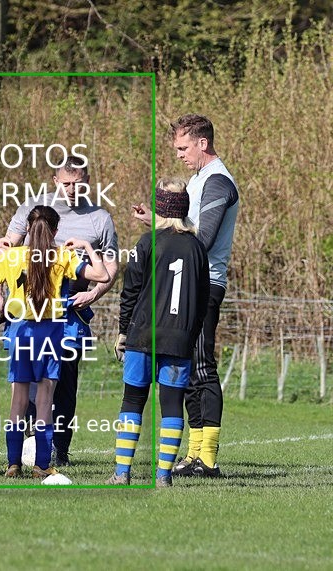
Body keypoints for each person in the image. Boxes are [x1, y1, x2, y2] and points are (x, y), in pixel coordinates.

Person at [0, 157, 119, 466]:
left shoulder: (99, 218)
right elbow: (8, 249)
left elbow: (111, 265)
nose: (72, 189)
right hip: (29, 312)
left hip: (71, 310)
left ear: (88, 182)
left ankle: (59, 450)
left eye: (78, 183)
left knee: (63, 383)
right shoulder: (33, 209)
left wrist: (94, 292)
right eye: (66, 182)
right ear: (55, 180)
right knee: (28, 387)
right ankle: (29, 449)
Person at [133, 114, 239, 477]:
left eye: (183, 147)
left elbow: (203, 238)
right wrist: (160, 221)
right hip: (188, 282)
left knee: (202, 364)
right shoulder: (198, 181)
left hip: (204, 283)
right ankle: (194, 455)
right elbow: (187, 230)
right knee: (189, 366)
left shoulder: (218, 182)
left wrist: (169, 226)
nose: (178, 154)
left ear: (202, 143)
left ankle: (207, 459)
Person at [0, 205, 109, 478]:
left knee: (18, 402)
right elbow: (103, 275)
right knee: (45, 401)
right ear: (56, 231)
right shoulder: (62, 257)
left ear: (27, 228)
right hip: (50, 333)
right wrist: (86, 245)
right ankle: (41, 464)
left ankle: (13, 463)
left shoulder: (12, 257)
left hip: (21, 333)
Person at [109, 178, 209, 487]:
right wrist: (189, 337)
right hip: (179, 339)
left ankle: (122, 473)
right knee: (172, 406)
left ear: (160, 207)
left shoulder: (148, 242)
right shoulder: (197, 247)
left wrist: (123, 332)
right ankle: (164, 476)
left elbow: (131, 291)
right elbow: (203, 299)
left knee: (133, 401)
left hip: (143, 335)